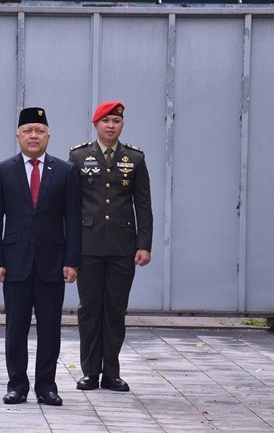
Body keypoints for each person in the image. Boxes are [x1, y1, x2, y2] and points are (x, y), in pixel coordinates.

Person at [0, 107, 81, 406]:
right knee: (16, 329)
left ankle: (47, 387)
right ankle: (17, 385)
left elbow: (74, 219)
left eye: (39, 130)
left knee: (50, 330)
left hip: (52, 264)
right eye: (28, 131)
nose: (34, 136)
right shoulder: (2, 170)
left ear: (48, 136)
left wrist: (72, 260)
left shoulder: (65, 171)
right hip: (15, 265)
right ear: (18, 136)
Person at [68, 101, 153, 392]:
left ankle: (112, 372)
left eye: (116, 121)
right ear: (96, 125)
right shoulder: (78, 156)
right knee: (90, 310)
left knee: (115, 310)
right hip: (88, 246)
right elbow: (70, 205)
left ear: (122, 125)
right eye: (105, 121)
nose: (111, 126)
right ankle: (91, 372)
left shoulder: (135, 158)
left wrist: (144, 244)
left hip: (121, 247)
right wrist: (70, 247)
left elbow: (143, 204)